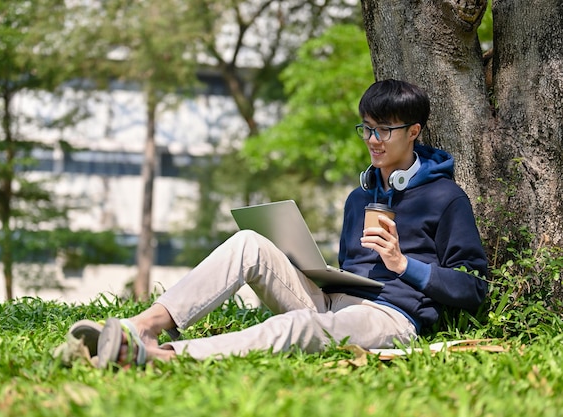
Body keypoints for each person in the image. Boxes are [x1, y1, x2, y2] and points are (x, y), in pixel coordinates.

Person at [64, 79, 489, 368]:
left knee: (296, 327)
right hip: (335, 302)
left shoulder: (446, 198)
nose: (373, 141)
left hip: (393, 318)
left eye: (385, 131)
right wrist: (317, 274)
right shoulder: (359, 197)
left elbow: (472, 288)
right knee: (249, 241)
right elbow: (351, 271)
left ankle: (163, 355)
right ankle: (142, 328)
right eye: (367, 130)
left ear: (414, 131)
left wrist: (402, 265)